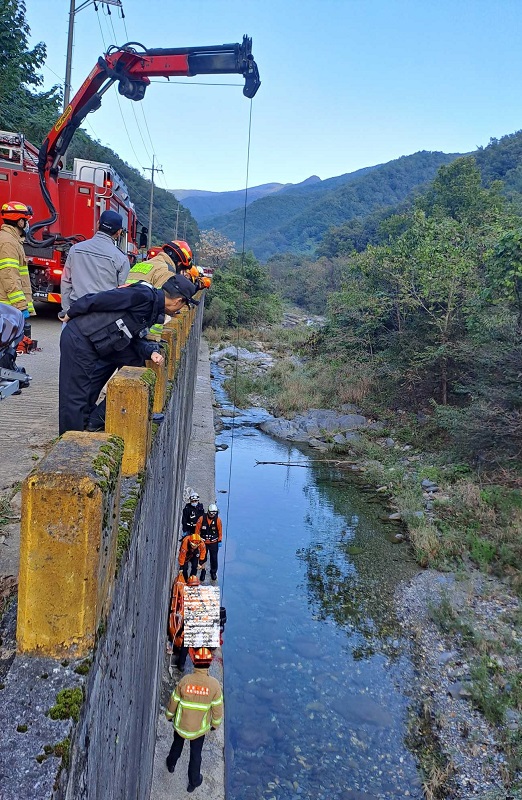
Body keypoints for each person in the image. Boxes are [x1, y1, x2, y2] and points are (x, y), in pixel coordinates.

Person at [58, 274, 197, 435]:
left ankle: (93, 420)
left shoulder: (153, 308)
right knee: (74, 396)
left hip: (100, 341)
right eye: (182, 305)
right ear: (178, 301)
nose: (179, 310)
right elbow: (102, 299)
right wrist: (72, 312)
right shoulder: (144, 295)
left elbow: (134, 338)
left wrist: (151, 351)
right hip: (80, 337)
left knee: (135, 363)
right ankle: (70, 443)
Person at [165, 646, 223, 792]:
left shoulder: (185, 680)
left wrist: (169, 715)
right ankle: (193, 782)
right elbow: (217, 709)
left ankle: (171, 764)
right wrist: (215, 725)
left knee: (176, 746)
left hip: (181, 725)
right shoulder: (214, 686)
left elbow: (174, 701)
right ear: (209, 663)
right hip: (198, 730)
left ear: (194, 662)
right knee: (196, 755)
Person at [60, 209, 130, 315]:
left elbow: (66, 281)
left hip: (76, 310)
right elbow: (121, 293)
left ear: (98, 224)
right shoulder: (121, 258)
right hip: (103, 315)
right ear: (119, 232)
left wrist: (66, 310)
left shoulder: (75, 249)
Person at [0, 202, 35, 331]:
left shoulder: (12, 240)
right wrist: (21, 307)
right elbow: (10, 276)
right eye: (26, 221)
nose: (28, 225)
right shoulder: (8, 243)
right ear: (20, 222)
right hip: (7, 309)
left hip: (7, 308)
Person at [194, 503, 222, 583]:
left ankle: (213, 572)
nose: (212, 515)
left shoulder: (218, 520)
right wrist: (197, 540)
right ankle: (203, 571)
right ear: (208, 512)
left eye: (214, 513)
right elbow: (197, 530)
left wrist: (219, 540)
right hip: (203, 542)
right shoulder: (202, 519)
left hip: (214, 542)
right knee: (203, 558)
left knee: (214, 558)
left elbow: (220, 531)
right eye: (211, 513)